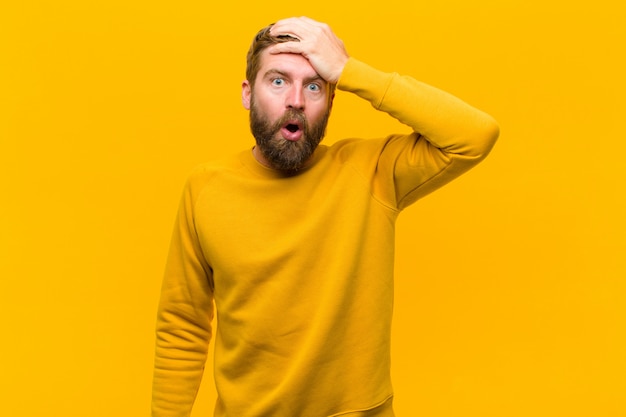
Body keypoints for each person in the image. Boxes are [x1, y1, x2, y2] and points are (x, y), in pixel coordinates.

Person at [152, 16, 499, 417]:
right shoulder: (205, 189)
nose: (295, 99)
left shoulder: (372, 172)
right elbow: (182, 325)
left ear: (332, 101)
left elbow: (475, 136)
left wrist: (350, 71)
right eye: (278, 81)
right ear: (248, 93)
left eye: (314, 85)